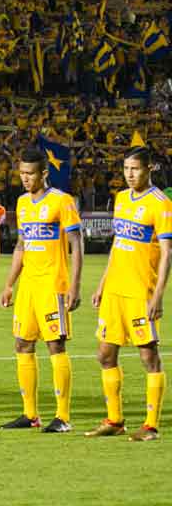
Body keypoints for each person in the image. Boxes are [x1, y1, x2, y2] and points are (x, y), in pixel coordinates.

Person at [86, 146, 170, 441]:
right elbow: (118, 245)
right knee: (105, 354)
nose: (130, 174)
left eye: (135, 169)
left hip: (140, 292)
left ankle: (151, 426)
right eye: (126, 169)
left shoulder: (160, 204)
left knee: (149, 357)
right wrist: (102, 283)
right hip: (115, 291)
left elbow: (167, 253)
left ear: (149, 169)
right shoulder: (121, 199)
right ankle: (115, 420)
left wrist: (157, 296)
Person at [0, 149, 82, 432]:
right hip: (29, 287)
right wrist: (10, 283)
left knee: (55, 345)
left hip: (53, 284)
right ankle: (30, 414)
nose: (25, 178)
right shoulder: (21, 203)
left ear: (43, 173)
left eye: (30, 173)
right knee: (22, 344)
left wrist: (75, 285)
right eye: (21, 173)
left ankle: (63, 417)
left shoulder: (61, 201)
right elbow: (22, 245)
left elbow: (76, 244)